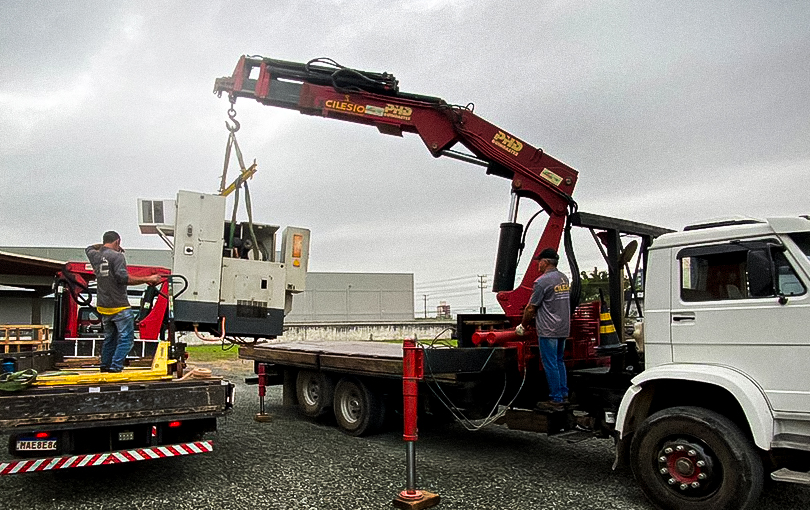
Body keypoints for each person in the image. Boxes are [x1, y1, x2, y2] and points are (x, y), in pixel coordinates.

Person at [86, 231, 162, 373]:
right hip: (119, 306)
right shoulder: (117, 256)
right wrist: (148, 279)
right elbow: (123, 278)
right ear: (118, 242)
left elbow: (89, 248)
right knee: (126, 340)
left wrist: (104, 246)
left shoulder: (94, 255)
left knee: (110, 338)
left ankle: (105, 365)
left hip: (103, 306)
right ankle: (115, 366)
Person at [517, 247, 571, 412]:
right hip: (563, 327)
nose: (538, 264)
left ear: (546, 262)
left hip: (548, 329)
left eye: (539, 261)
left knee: (550, 363)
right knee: (559, 361)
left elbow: (531, 308)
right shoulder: (563, 278)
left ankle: (556, 399)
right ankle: (564, 394)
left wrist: (523, 325)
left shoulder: (541, 282)